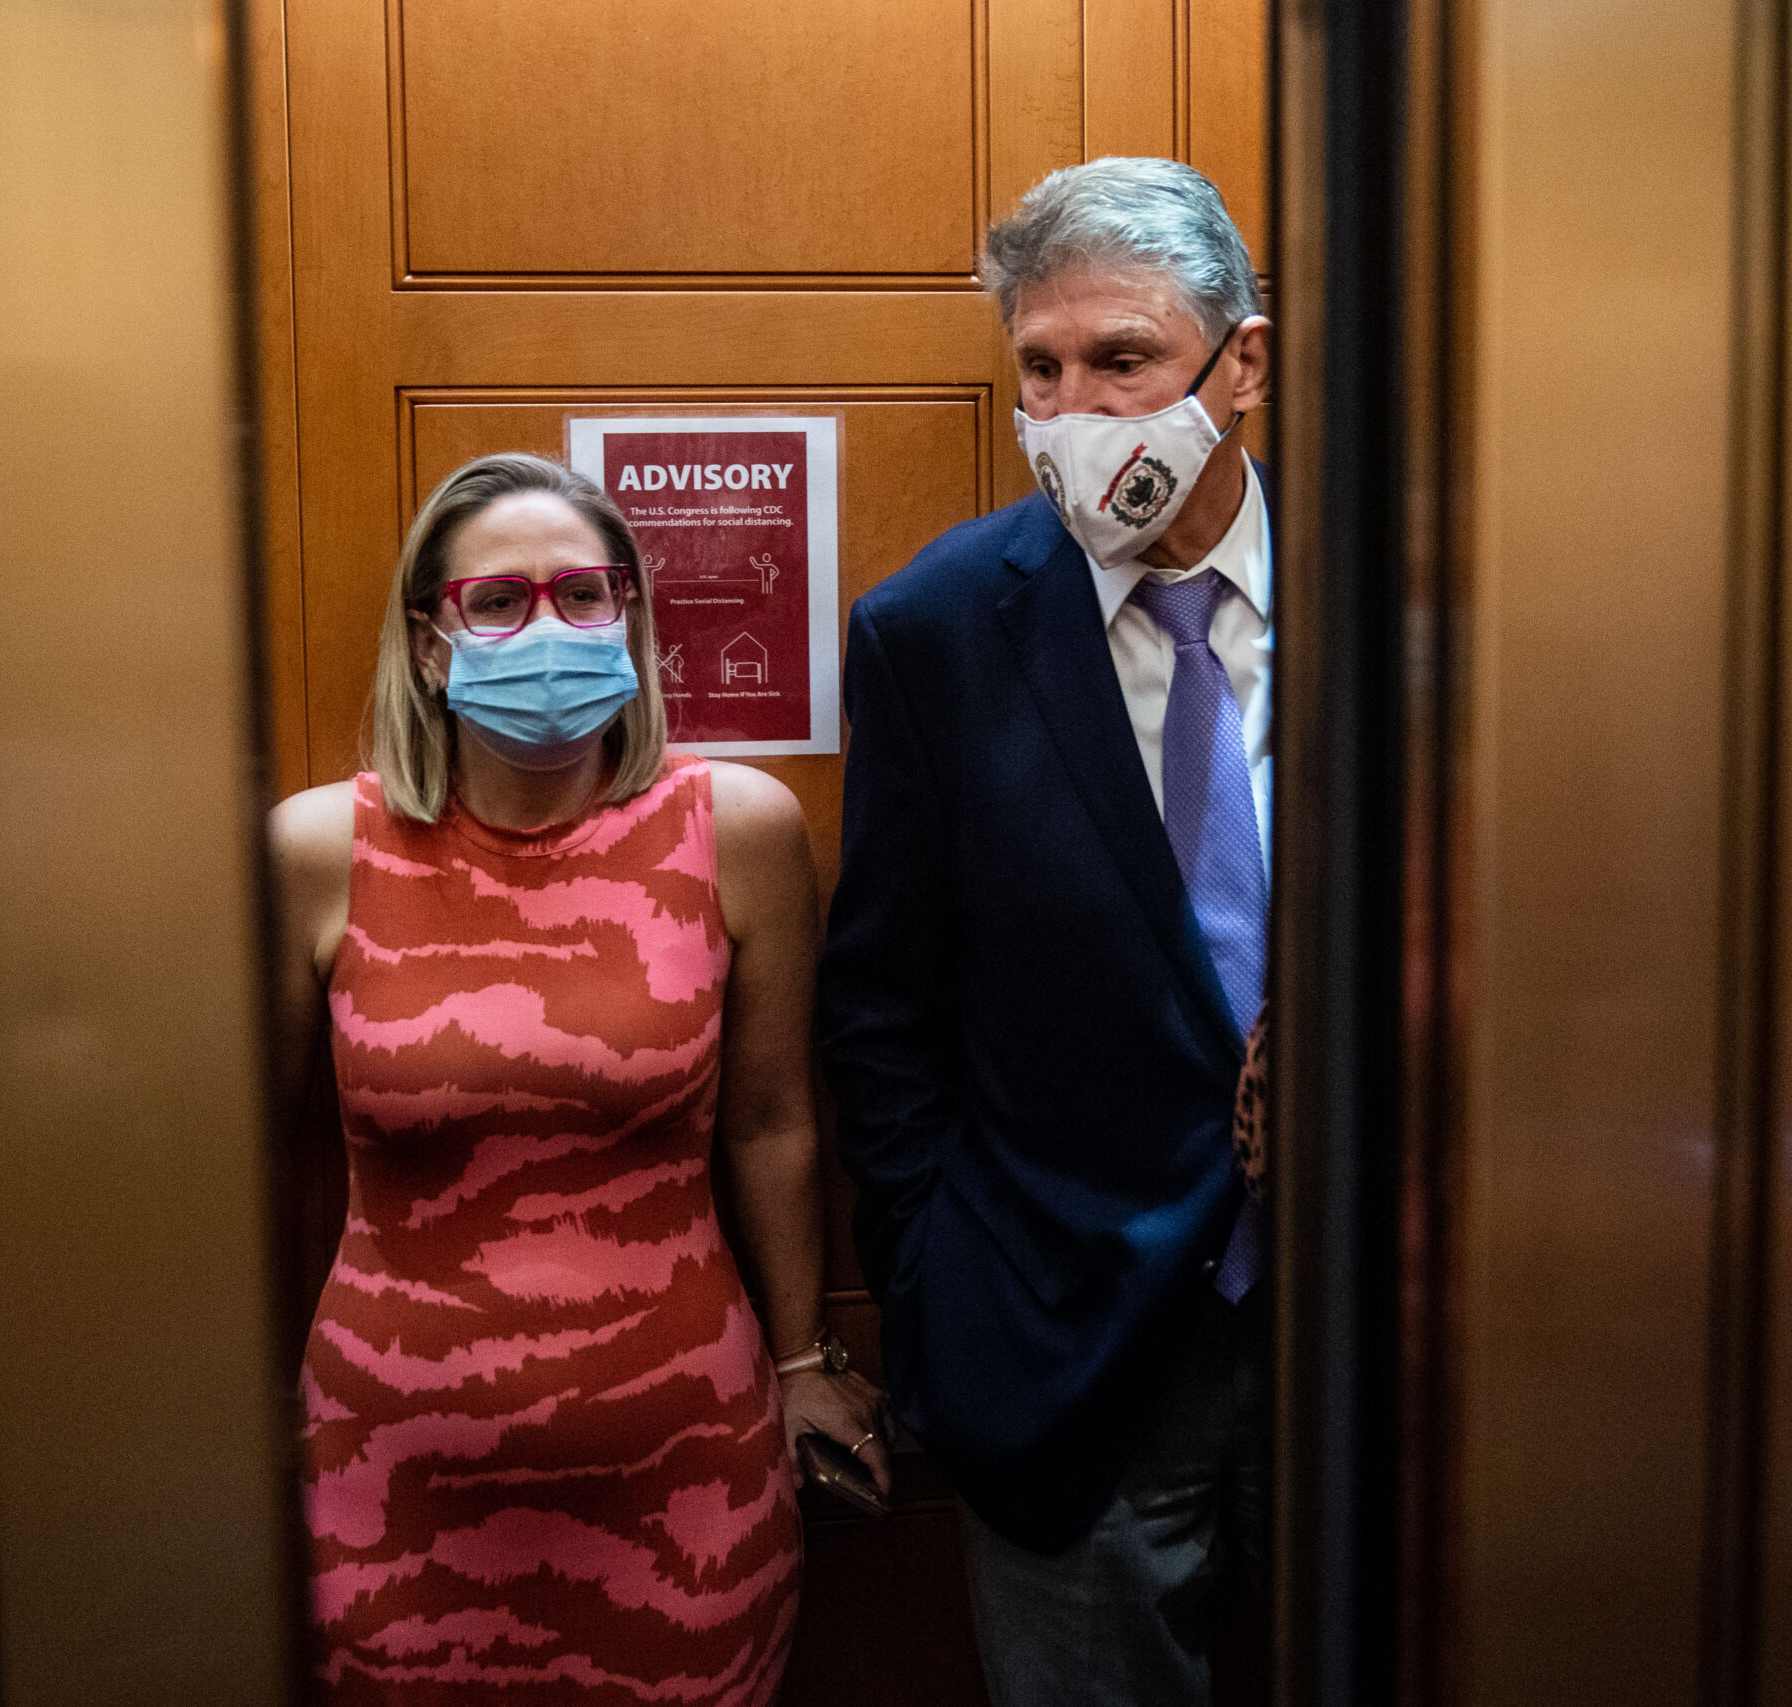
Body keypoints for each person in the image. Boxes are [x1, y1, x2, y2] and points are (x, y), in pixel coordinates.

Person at [269, 453, 887, 1705]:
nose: (545, 628)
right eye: (497, 602)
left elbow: (772, 1124)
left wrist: (803, 1358)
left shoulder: (741, 828)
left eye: (583, 596)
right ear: (431, 643)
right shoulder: (320, 848)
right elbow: (230, 1158)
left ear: (632, 620)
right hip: (385, 1483)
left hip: (682, 1480)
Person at [818, 157, 1276, 1707]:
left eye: (1125, 360)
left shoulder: (1417, 600)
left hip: (1388, 1330)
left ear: (1243, 363)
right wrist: (936, 1285)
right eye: (1041, 366)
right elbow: (880, 1008)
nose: (1077, 410)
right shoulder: (934, 633)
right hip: (1071, 1342)